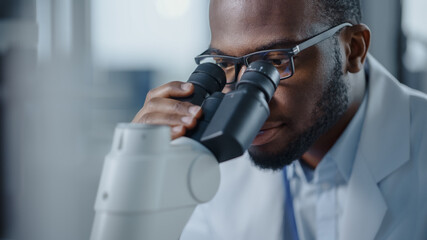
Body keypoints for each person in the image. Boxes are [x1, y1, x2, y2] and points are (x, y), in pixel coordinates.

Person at [132, 0, 427, 239]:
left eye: (274, 62)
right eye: (222, 65)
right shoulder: (217, 159)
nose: (243, 100)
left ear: (353, 50)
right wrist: (135, 181)